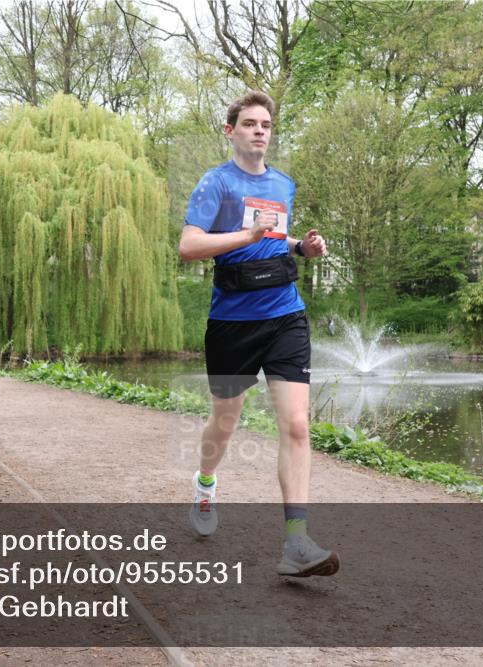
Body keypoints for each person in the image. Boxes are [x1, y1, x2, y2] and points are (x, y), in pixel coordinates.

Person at [179, 91, 339, 577]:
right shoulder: (216, 183)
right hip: (232, 323)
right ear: (231, 131)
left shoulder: (283, 184)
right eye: (249, 123)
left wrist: (303, 246)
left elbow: (274, 235)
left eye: (266, 124)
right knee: (225, 422)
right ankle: (206, 484)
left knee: (296, 424)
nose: (259, 130)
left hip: (284, 315)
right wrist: (245, 238)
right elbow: (189, 246)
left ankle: (296, 543)